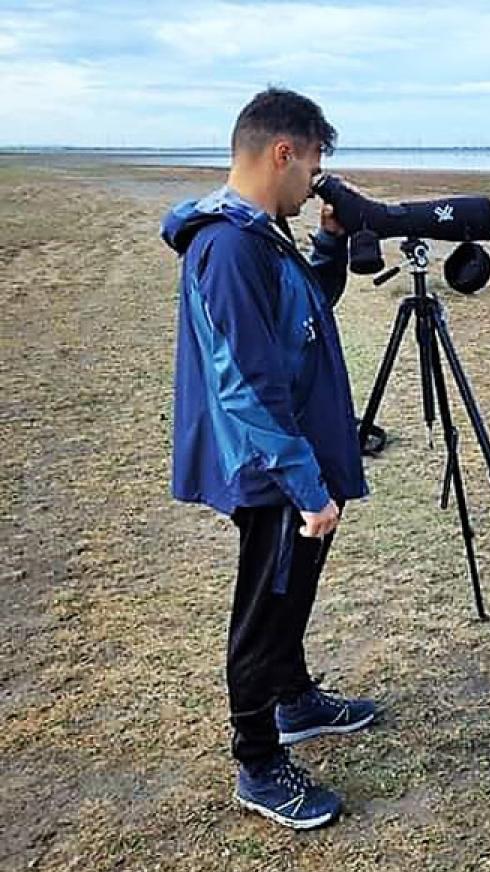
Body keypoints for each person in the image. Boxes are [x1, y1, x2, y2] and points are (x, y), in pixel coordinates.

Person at [161, 87, 374, 830]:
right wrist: (307, 487)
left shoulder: (262, 233)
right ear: (283, 152)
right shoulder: (227, 247)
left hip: (293, 456)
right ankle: (257, 763)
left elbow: (306, 312)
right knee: (264, 607)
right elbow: (246, 385)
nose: (315, 182)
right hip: (271, 467)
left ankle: (294, 699)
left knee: (291, 592)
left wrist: (331, 245)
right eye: (313, 165)